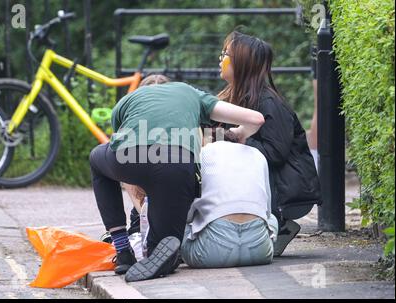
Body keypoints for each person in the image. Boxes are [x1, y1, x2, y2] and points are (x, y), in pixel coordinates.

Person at [89, 74, 265, 282]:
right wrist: (240, 133)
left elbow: (119, 140)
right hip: (179, 163)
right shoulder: (190, 93)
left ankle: (122, 250)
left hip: (130, 156)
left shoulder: (129, 99)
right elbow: (256, 119)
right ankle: (163, 256)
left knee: (96, 159)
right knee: (165, 244)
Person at [215, 30, 322, 256]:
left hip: (287, 190)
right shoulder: (230, 97)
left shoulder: (269, 102)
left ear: (242, 63)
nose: (220, 58)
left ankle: (277, 224)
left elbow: (275, 154)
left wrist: (238, 138)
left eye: (226, 54)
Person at [181, 130, 279, 268]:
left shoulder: (202, 154)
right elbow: (267, 211)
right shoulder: (258, 155)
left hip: (211, 254)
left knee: (178, 221)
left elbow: (187, 214)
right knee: (272, 218)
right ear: (240, 142)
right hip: (259, 253)